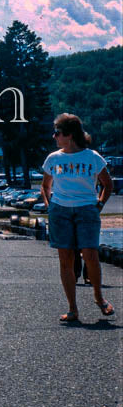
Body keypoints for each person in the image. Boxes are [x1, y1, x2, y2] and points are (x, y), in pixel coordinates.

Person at [41, 113, 114, 323]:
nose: (54, 137)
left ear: (70, 135)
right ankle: (72, 308)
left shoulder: (92, 157)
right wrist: (50, 206)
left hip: (86, 210)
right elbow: (45, 186)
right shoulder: (53, 158)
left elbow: (107, 184)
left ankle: (99, 298)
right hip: (60, 211)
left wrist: (99, 204)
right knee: (66, 259)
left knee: (90, 254)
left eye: (58, 133)